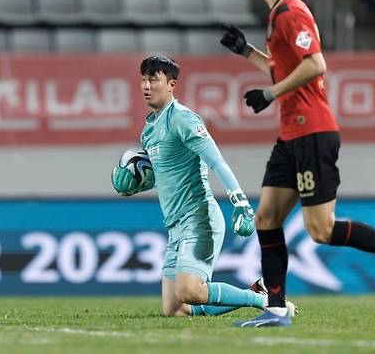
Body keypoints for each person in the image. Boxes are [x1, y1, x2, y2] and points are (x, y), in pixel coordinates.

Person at [219, 0, 375, 328]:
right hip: (291, 135)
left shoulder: (292, 12)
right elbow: (285, 67)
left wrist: (270, 93)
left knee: (321, 230)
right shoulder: (277, 14)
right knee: (267, 217)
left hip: (313, 131)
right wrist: (246, 51)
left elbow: (315, 64)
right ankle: (277, 308)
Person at [111, 55, 282, 318]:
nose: (146, 85)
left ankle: (265, 300)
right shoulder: (149, 129)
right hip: (175, 225)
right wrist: (134, 183)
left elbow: (216, 161)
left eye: (153, 79)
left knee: (190, 290)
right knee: (177, 309)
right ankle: (256, 290)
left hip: (199, 218)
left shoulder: (182, 119)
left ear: (171, 85)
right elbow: (164, 174)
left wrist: (241, 203)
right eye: (144, 79)